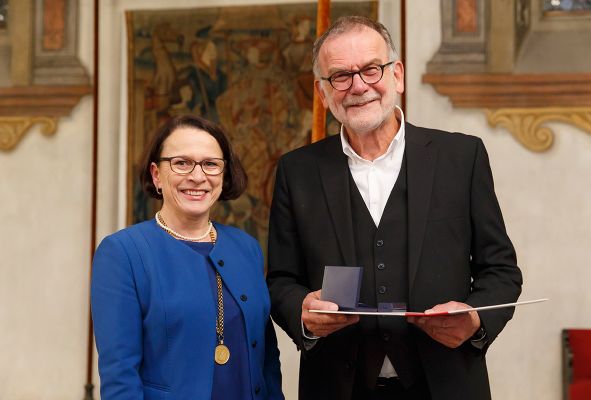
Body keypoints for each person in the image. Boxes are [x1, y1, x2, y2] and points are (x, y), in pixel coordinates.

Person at [267, 16, 523, 400]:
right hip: (338, 385)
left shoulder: (461, 156)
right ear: (323, 94)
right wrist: (301, 311)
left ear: (397, 75)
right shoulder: (296, 171)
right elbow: (280, 280)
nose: (358, 86)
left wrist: (475, 320)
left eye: (371, 70)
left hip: (446, 384)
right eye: (340, 76)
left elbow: (500, 269)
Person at [92, 115, 284, 400]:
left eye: (210, 164)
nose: (197, 176)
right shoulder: (123, 253)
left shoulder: (247, 248)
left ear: (224, 174)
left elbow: (266, 356)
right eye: (181, 163)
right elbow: (120, 376)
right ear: (157, 175)